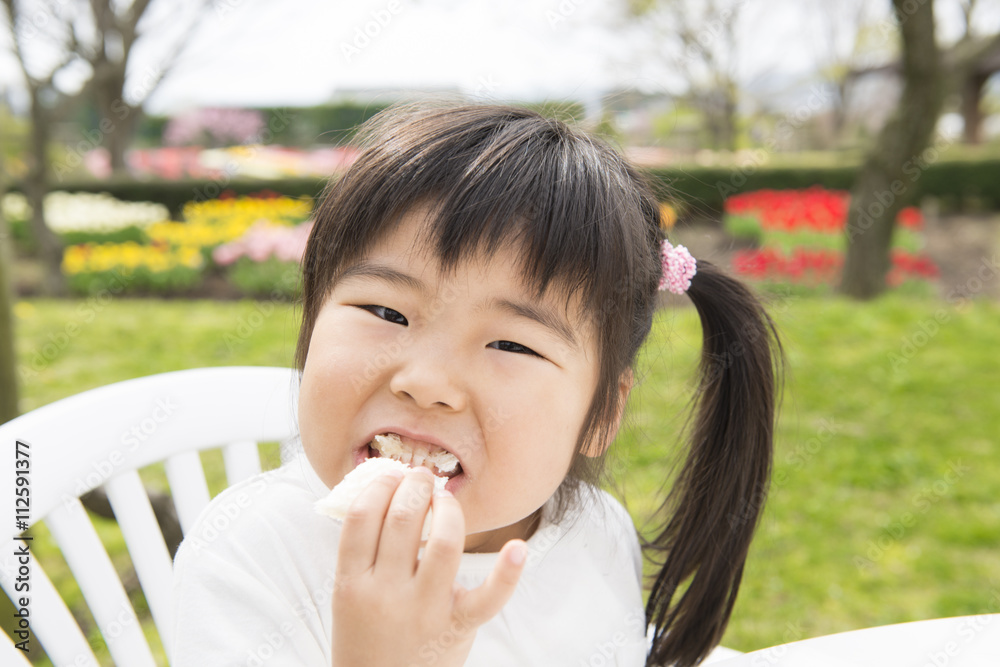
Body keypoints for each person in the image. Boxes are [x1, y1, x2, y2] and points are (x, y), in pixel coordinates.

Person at [170, 102, 783, 667]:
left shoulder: (594, 532)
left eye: (511, 344)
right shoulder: (250, 556)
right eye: (387, 313)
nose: (427, 383)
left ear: (600, 416)